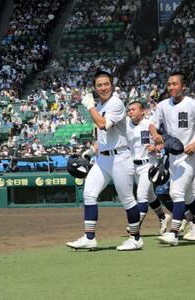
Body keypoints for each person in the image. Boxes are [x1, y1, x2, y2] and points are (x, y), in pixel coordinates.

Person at [66, 70, 142, 251]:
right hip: (103, 159)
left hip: (120, 158)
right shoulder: (100, 106)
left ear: (112, 85)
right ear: (95, 87)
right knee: (89, 194)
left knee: (127, 199)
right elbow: (102, 138)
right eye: (99, 85)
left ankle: (136, 239)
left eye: (106, 84)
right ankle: (89, 237)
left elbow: (103, 124)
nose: (103, 88)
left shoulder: (115, 103)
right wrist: (90, 152)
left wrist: (90, 106)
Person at [150, 71, 195, 246]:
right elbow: (152, 125)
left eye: (175, 84)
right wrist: (155, 134)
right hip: (173, 156)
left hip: (190, 155)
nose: (171, 87)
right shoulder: (163, 105)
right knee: (187, 197)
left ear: (183, 86)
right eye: (169, 84)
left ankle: (173, 233)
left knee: (176, 193)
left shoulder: (193, 105)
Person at [126, 101, 171, 235]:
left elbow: (164, 139)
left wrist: (157, 147)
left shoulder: (149, 125)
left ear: (143, 112)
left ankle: (134, 225)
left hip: (148, 164)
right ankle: (163, 217)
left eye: (133, 109)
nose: (130, 112)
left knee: (141, 195)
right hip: (134, 165)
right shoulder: (126, 126)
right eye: (129, 110)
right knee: (150, 196)